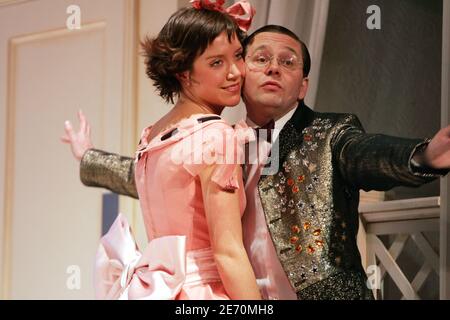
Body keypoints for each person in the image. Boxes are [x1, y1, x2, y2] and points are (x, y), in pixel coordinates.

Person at [63, 24, 450, 300]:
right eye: (260, 58)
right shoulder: (217, 139)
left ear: (302, 86)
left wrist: (423, 155)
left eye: (288, 62)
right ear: (240, 73)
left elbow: (368, 154)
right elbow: (159, 178)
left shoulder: (330, 133)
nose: (273, 68)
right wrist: (89, 157)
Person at [63, 1, 263, 300]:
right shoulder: (216, 136)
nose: (235, 72)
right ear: (183, 72)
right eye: (216, 62)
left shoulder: (152, 136)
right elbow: (228, 252)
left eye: (237, 56)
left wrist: (87, 155)